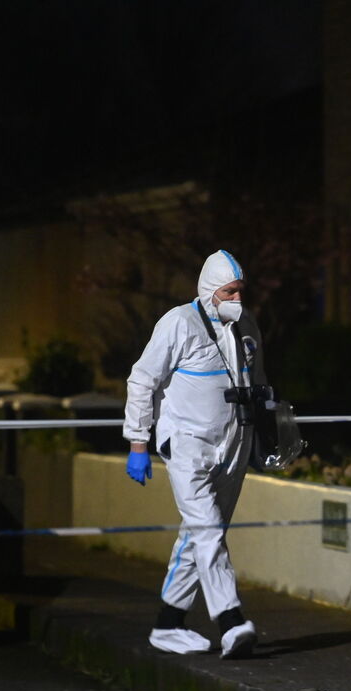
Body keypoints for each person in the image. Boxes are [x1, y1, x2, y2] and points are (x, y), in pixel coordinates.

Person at [122, 249, 263, 659]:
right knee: (208, 531)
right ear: (208, 290)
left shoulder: (246, 326)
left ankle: (168, 623)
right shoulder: (179, 324)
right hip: (187, 444)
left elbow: (259, 382)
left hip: (234, 443)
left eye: (240, 292)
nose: (236, 300)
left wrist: (263, 436)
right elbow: (142, 380)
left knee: (199, 534)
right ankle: (231, 619)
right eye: (229, 292)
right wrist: (138, 442)